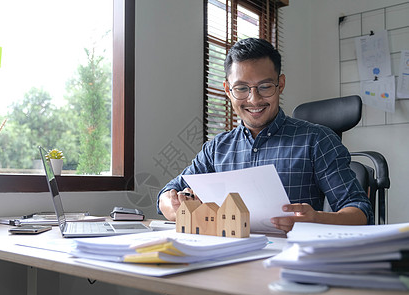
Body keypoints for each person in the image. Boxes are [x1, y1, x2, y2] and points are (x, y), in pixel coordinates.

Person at [157, 38, 373, 232]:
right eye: (242, 88)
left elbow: (361, 213)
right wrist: (171, 204)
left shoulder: (317, 140)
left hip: (289, 261)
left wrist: (316, 219)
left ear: (281, 85)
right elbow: (169, 192)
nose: (254, 99)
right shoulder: (217, 148)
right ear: (227, 90)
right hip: (226, 258)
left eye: (265, 86)